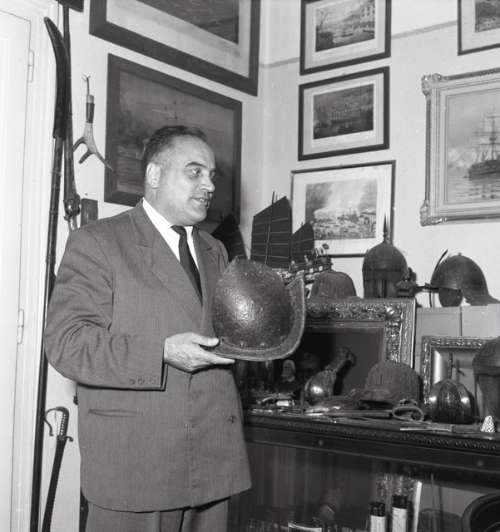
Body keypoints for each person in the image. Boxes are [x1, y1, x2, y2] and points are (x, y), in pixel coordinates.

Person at [44, 126, 251, 531]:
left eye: (211, 175)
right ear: (154, 175)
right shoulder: (98, 242)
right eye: (194, 172)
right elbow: (66, 343)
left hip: (214, 464)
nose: (209, 185)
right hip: (137, 469)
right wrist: (161, 352)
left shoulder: (215, 250)